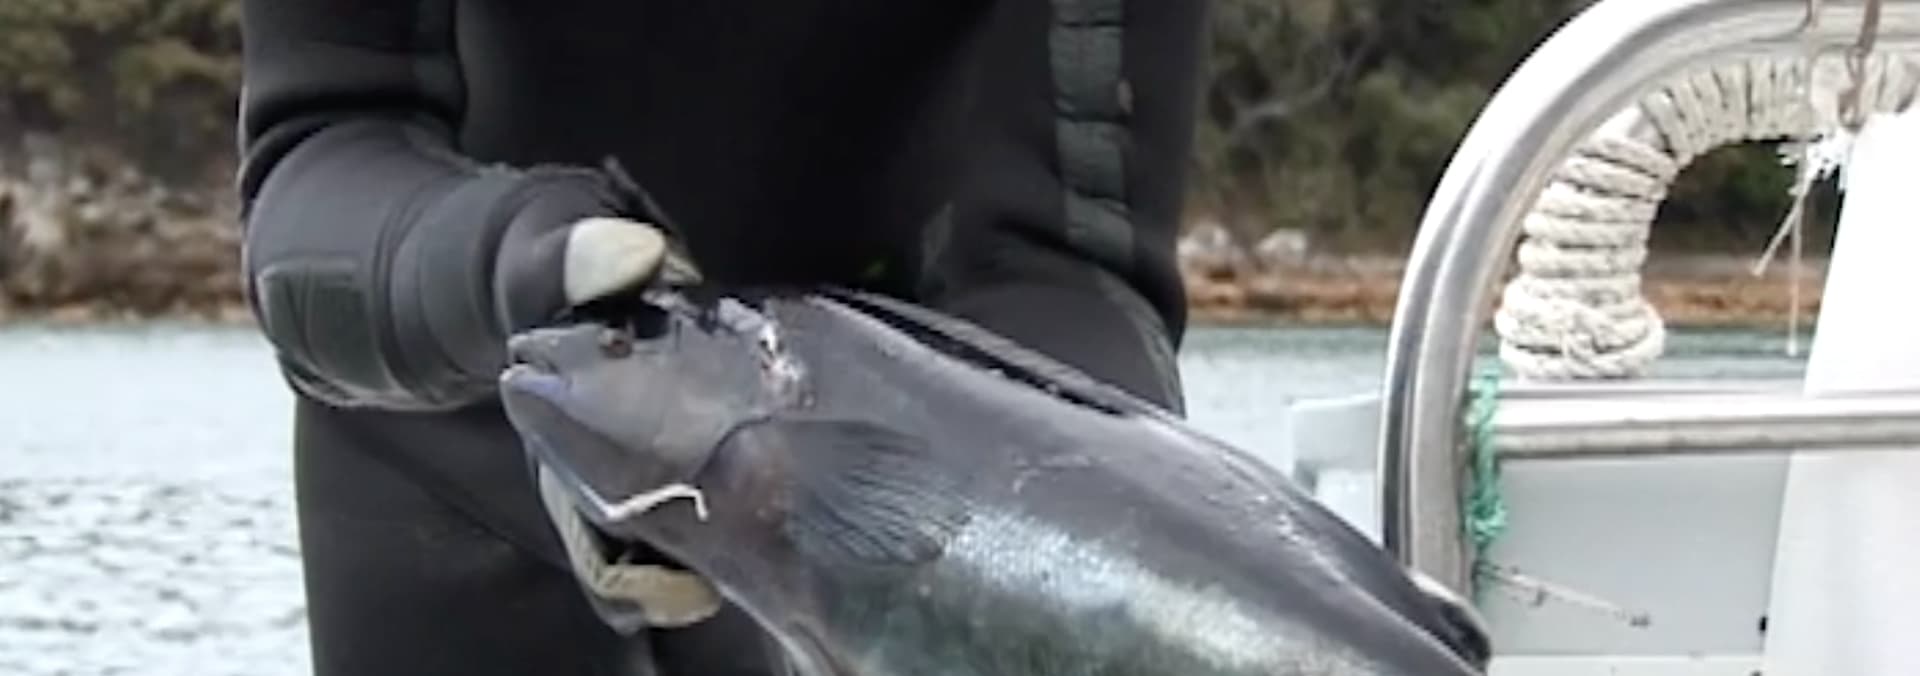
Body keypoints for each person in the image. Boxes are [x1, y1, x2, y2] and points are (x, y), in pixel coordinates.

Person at [234, 1, 1211, 674]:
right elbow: (319, 156)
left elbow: (1073, 266)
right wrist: (516, 264)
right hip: (455, 496)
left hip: (900, 532)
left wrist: (1095, 575)